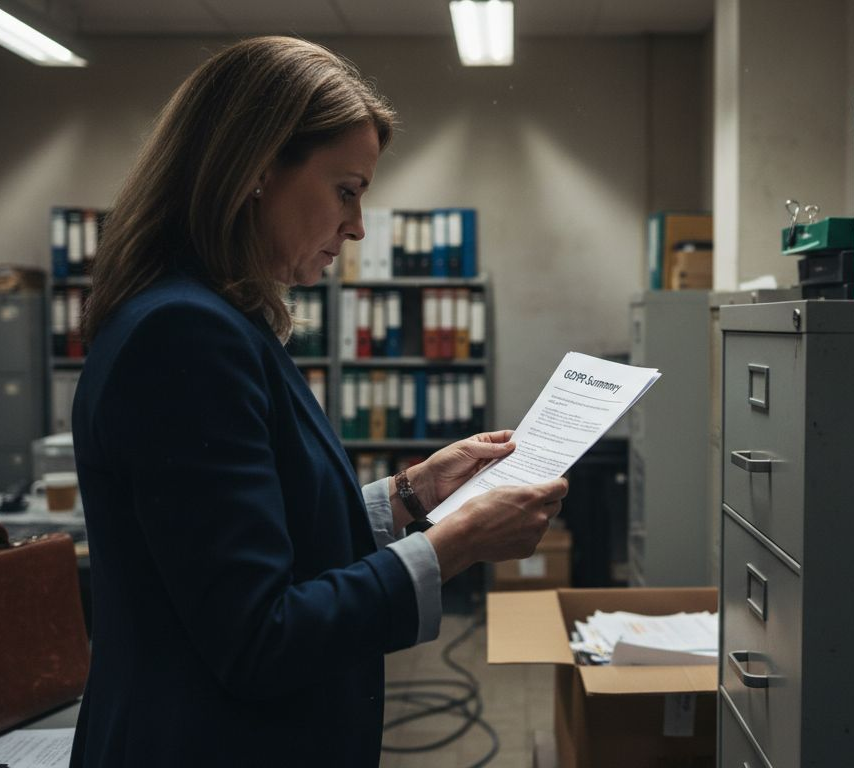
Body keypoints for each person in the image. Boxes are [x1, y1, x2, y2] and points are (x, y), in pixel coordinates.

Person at [69, 36, 568, 767]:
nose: (358, 225)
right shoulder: (183, 335)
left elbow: (264, 533)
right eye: (346, 190)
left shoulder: (211, 318)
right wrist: (455, 544)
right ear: (258, 170)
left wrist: (410, 493)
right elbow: (259, 638)